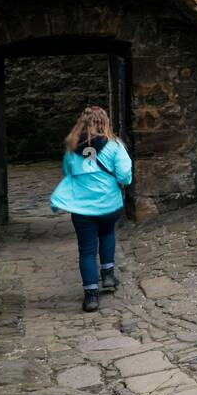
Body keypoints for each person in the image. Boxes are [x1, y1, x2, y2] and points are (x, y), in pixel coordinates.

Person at [50, 106, 133, 313]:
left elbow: (67, 172)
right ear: (105, 122)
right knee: (107, 233)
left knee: (86, 249)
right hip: (108, 202)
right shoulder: (114, 145)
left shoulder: (71, 147)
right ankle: (107, 275)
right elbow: (124, 174)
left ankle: (91, 297)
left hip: (81, 206)